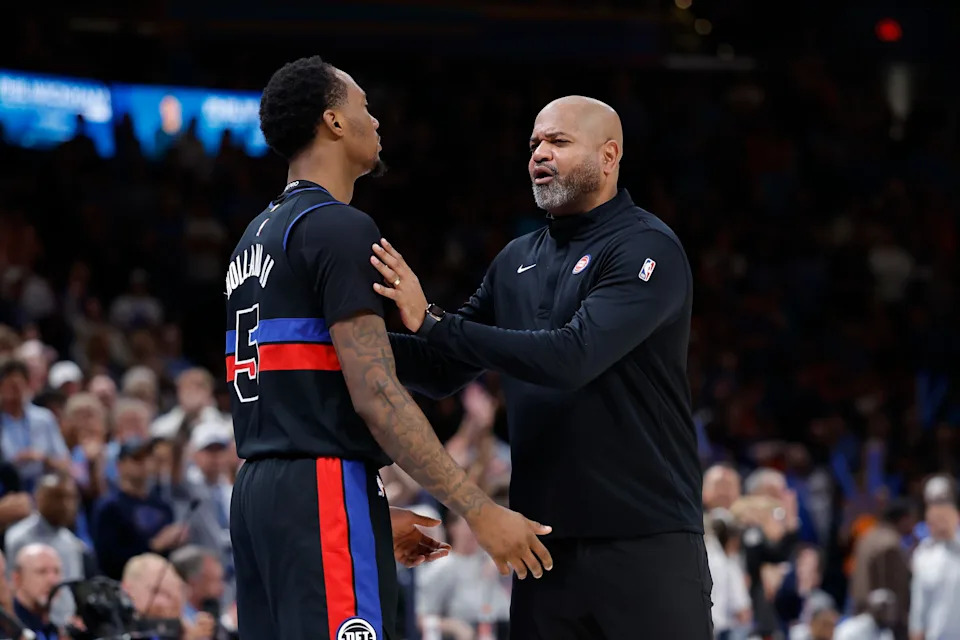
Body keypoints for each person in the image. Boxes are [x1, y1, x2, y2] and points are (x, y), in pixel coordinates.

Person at [225, 55, 551, 640]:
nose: (376, 121)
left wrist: (368, 513)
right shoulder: (340, 227)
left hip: (261, 497)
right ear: (334, 122)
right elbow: (377, 393)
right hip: (320, 488)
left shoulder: (255, 236)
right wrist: (478, 508)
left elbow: (313, 379)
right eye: (364, 107)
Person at [370, 95, 711, 638]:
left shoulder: (646, 247)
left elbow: (573, 357)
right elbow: (441, 369)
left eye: (557, 141)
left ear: (609, 155)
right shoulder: (515, 259)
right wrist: (349, 340)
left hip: (645, 540)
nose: (539, 155)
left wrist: (432, 320)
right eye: (534, 144)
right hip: (541, 546)